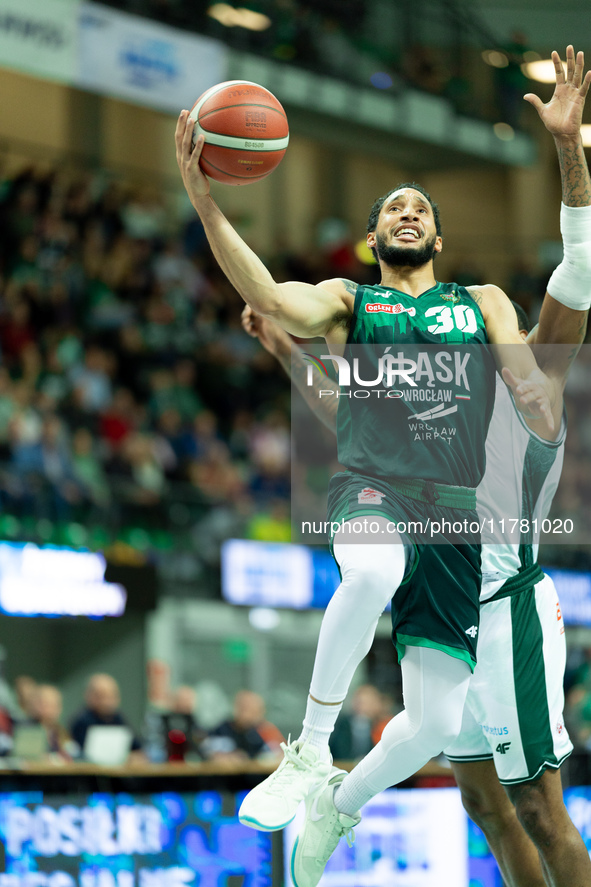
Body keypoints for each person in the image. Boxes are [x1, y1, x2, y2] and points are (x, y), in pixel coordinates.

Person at [175, 80, 556, 868]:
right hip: (373, 491)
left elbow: (526, 374)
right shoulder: (351, 302)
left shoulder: (478, 300)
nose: (407, 211)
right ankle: (309, 748)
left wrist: (528, 388)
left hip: (456, 517)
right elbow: (272, 296)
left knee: (435, 723)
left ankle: (336, 804)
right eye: (393, 207)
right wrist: (208, 204)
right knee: (373, 567)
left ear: (438, 239)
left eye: (420, 206)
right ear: (373, 236)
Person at [70, 673, 142, 756]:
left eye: (111, 696)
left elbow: (137, 749)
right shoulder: (81, 721)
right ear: (89, 696)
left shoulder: (118, 718)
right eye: (102, 696)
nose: (107, 702)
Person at [202, 690, 283, 761]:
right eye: (244, 708)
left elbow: (279, 754)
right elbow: (207, 752)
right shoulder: (221, 731)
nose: (247, 714)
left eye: (253, 710)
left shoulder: (263, 731)